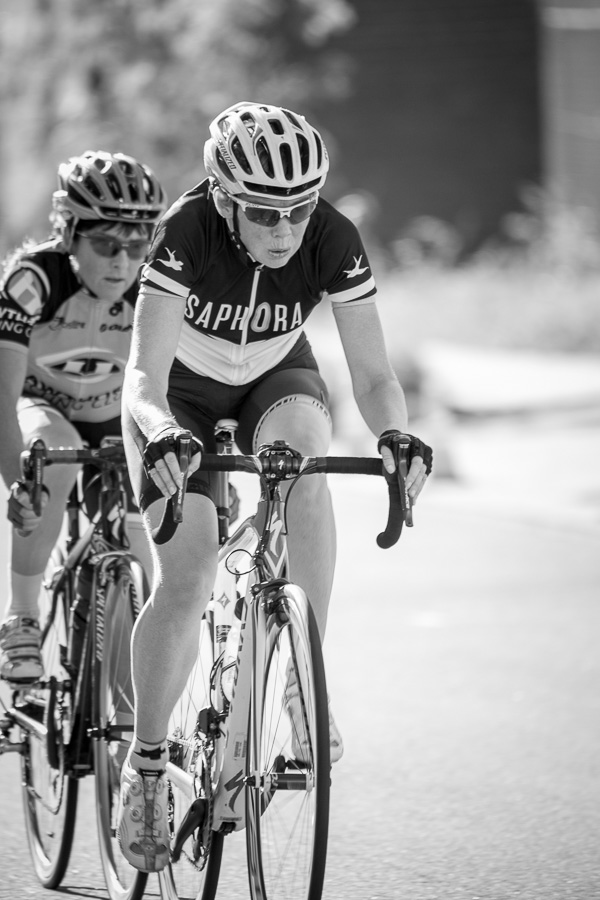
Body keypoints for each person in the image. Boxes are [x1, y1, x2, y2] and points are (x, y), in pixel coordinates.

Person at [117, 101, 433, 873]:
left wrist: (396, 434)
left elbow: (373, 374)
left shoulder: (333, 237)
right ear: (225, 196)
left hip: (272, 376)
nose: (287, 227)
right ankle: (147, 764)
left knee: (308, 462)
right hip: (179, 399)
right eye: (265, 211)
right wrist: (160, 434)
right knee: (188, 577)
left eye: (300, 207)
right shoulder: (184, 231)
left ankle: (301, 681)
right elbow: (143, 379)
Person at [0, 150, 167, 685]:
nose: (122, 262)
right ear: (68, 232)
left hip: (114, 419)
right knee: (54, 446)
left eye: (136, 247)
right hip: (40, 409)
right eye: (104, 245)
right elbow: (2, 394)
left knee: (152, 552)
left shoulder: (155, 285)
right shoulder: (33, 280)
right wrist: (13, 483)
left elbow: (179, 388)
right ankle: (21, 616)